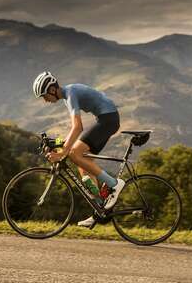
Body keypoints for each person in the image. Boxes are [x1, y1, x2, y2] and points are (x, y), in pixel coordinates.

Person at [32, 71, 124, 228]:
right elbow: (73, 134)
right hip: (105, 119)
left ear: (52, 90)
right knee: (83, 167)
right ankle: (100, 209)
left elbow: (77, 127)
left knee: (74, 153)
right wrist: (57, 142)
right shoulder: (67, 96)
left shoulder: (71, 93)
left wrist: (63, 152)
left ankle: (114, 184)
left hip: (108, 119)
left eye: (44, 95)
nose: (45, 100)